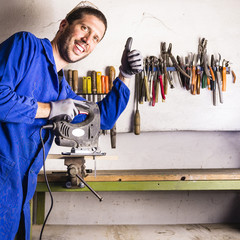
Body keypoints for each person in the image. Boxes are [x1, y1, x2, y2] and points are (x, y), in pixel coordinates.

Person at [0, 2, 143, 240]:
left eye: (96, 38)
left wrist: (125, 75)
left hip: (20, 194)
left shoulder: (62, 91)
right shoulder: (26, 46)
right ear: (64, 25)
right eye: (85, 28)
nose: (88, 39)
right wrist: (49, 110)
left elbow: (101, 120)